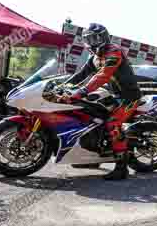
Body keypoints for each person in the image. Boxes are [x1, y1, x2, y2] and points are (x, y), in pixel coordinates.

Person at [60, 23, 142, 180]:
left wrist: (82, 91)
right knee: (88, 115)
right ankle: (92, 157)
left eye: (95, 38)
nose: (92, 42)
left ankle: (121, 167)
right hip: (113, 94)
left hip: (129, 96)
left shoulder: (114, 52)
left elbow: (103, 75)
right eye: (88, 39)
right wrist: (62, 86)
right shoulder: (95, 57)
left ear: (104, 37)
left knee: (112, 123)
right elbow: (81, 74)